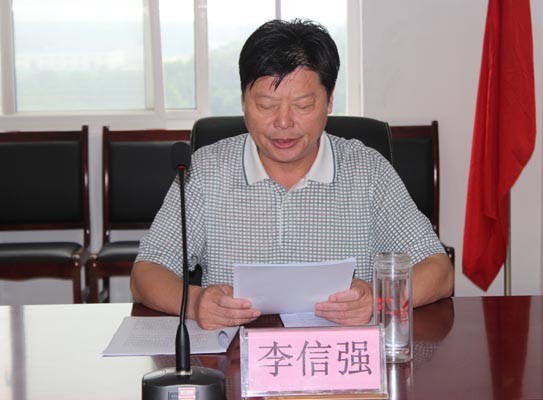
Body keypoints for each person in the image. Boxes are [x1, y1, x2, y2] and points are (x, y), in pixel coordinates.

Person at [130, 19, 453, 330]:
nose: (283, 122)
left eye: (302, 105)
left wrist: (378, 300)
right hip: (235, 355)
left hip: (337, 357)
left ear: (329, 101)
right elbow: (146, 272)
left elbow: (439, 271)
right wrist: (196, 302)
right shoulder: (206, 170)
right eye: (266, 104)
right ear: (243, 101)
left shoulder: (367, 171)